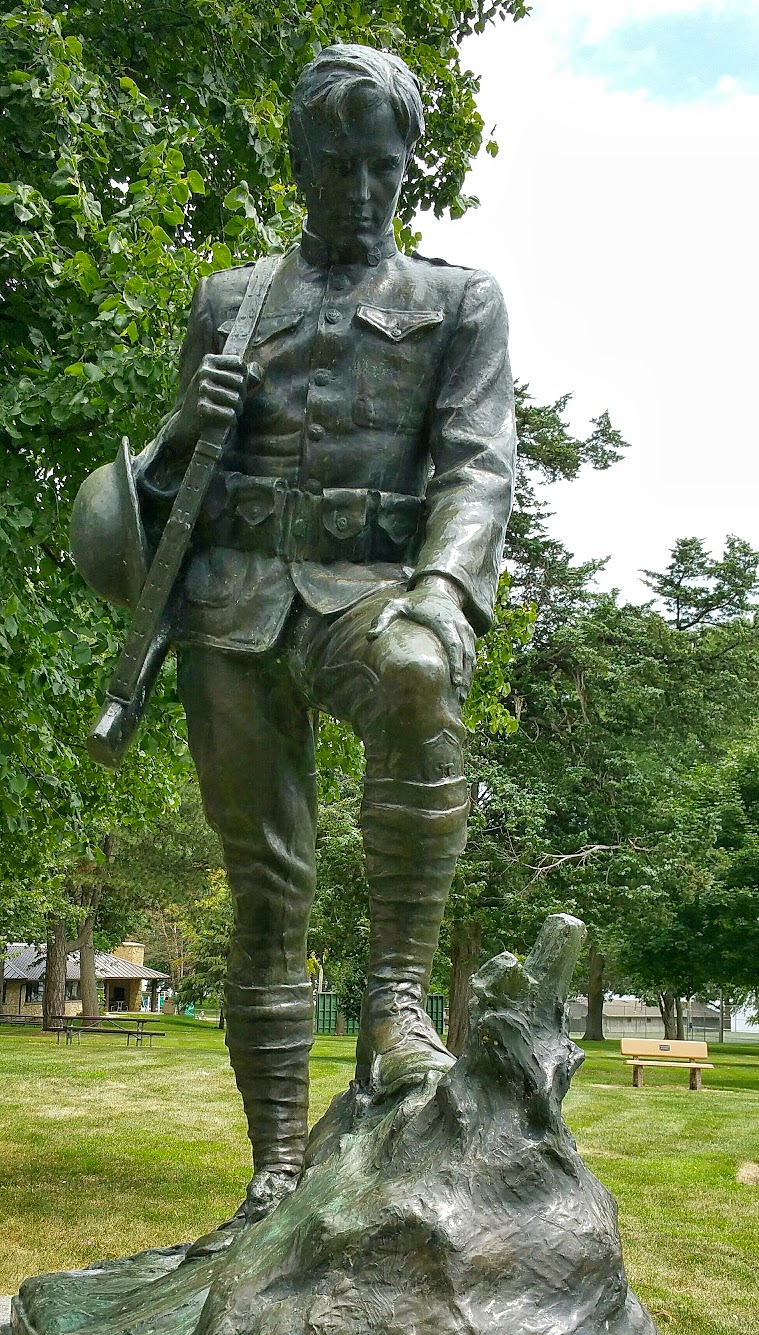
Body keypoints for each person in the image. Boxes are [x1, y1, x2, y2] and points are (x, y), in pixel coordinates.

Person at [71, 44, 516, 1244]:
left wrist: (440, 594)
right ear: (300, 163)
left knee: (421, 678)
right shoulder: (229, 298)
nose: (362, 188)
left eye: (384, 165)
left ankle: (397, 999)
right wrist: (179, 429)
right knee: (266, 889)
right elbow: (159, 499)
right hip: (231, 603)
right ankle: (271, 1172)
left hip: (367, 593)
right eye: (337, 164)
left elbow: (479, 470)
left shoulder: (458, 301)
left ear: (408, 165)